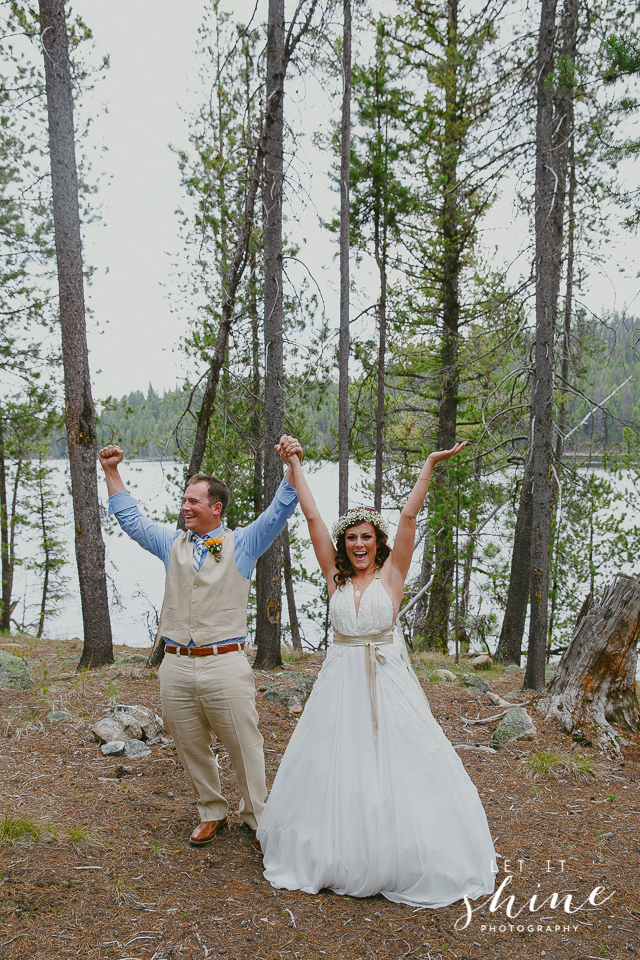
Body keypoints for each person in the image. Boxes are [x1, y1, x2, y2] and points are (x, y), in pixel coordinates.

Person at [257, 439, 497, 907]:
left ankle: (401, 849)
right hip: (340, 684)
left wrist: (428, 464)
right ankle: (337, 847)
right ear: (344, 544)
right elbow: (312, 519)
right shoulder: (336, 577)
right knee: (336, 764)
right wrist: (295, 465)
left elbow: (408, 519)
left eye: (367, 536)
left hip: (389, 682)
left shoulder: (392, 577)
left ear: (377, 542)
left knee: (404, 762)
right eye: (352, 537)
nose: (359, 544)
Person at [99, 438, 302, 850]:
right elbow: (133, 520)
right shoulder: (170, 543)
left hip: (224, 663)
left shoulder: (242, 543)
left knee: (245, 745)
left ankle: (257, 814)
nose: (185, 507)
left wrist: (292, 463)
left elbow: (280, 509)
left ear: (216, 508)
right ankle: (211, 810)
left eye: (193, 501)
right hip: (175, 664)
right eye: (184, 500)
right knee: (190, 744)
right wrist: (111, 471)